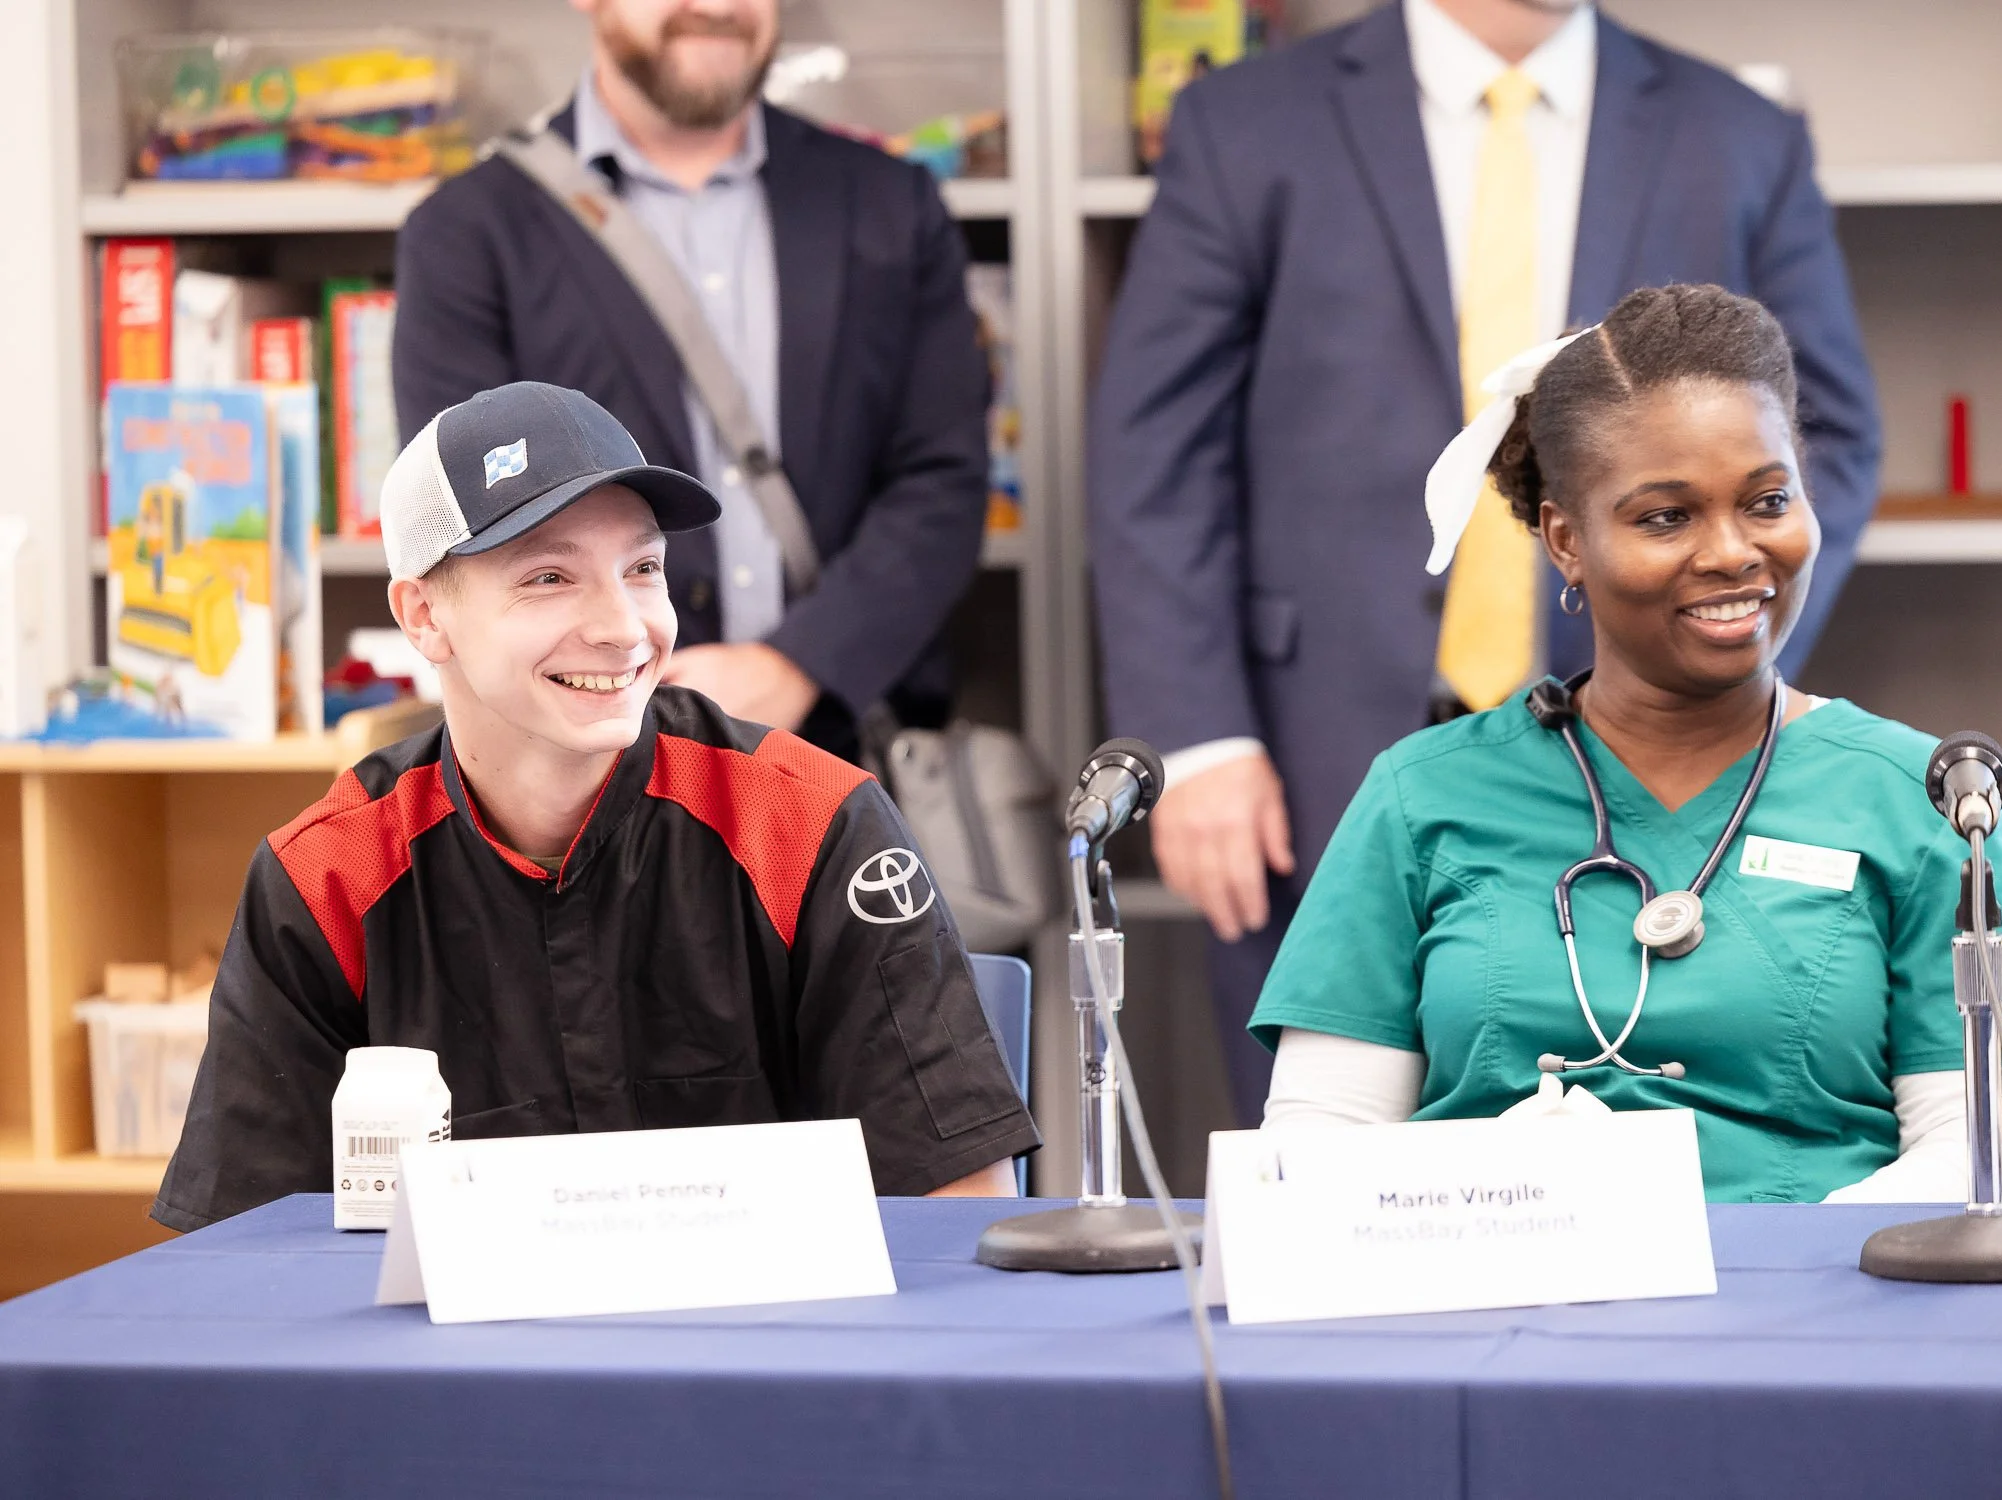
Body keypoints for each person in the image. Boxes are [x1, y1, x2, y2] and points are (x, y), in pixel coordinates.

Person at [1088, 0, 1882, 1122]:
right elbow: (1153, 452)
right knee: (1323, 1169)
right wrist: (1197, 733)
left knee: (1647, 1122)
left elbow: (1830, 437)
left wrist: (1723, 635)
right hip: (1305, 745)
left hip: (1653, 749)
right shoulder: (1243, 123)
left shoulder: (1738, 133)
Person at [1249, 285, 2002, 1203]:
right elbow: (1322, 1137)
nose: (1731, 552)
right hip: (1485, 1313)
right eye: (1665, 517)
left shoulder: (1937, 803)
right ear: (1568, 540)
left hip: (1814, 1319)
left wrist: (1779, 1277)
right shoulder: (1421, 796)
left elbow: (1988, 1148)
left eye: (1767, 500)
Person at [154, 384, 1036, 1232]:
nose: (623, 627)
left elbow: (960, 1204)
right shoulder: (324, 880)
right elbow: (243, 1254)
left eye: (642, 568)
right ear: (423, 616)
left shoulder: (810, 825)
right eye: (547, 577)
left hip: (775, 1364)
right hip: (455, 1378)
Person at [393, 0, 988, 763]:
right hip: (584, 770)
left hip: (848, 752)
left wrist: (796, 664)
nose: (714, 6)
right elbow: (464, 518)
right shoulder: (467, 232)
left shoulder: (891, 204)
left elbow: (943, 481)